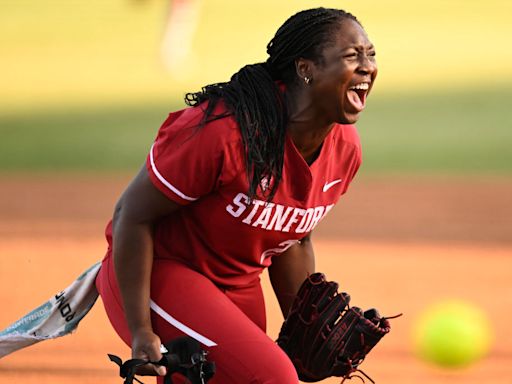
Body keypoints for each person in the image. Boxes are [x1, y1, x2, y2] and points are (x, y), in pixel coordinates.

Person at [95, 7, 378, 384]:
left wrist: (305, 331)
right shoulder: (224, 132)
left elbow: (293, 238)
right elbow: (132, 214)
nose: (367, 67)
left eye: (370, 55)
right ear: (306, 68)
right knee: (274, 378)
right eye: (351, 56)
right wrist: (140, 329)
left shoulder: (345, 149)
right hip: (160, 274)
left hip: (238, 284)